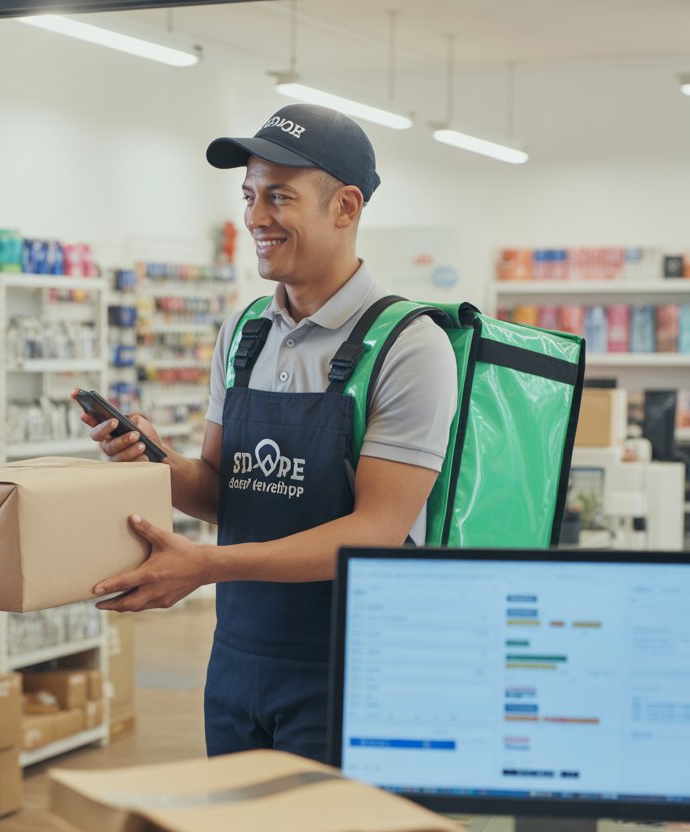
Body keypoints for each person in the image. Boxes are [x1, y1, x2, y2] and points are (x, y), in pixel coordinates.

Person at [75, 103, 458, 763]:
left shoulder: (408, 346)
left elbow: (376, 531)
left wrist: (206, 567)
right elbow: (224, 492)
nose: (254, 218)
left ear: (345, 206)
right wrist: (154, 458)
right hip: (237, 663)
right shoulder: (245, 332)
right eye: (249, 195)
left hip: (350, 671)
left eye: (279, 196)